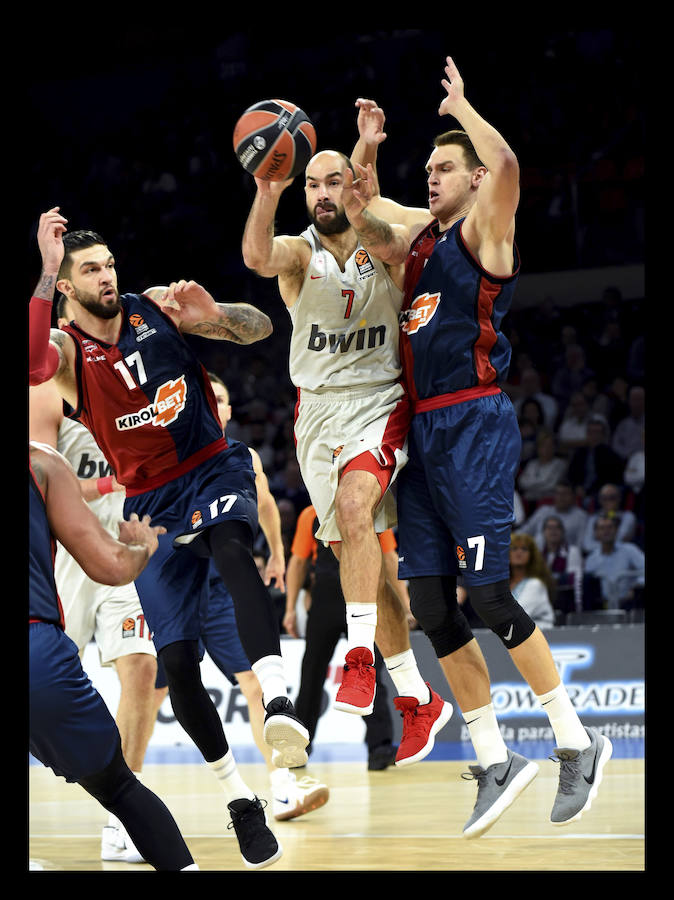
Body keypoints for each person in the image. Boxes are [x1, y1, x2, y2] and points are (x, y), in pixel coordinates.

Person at [348, 57, 612, 836]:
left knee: (490, 596)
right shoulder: (422, 246)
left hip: (473, 421)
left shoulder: (483, 235)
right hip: (422, 428)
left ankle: (575, 740)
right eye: (425, 168)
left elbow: (506, 164)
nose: (431, 178)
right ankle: (494, 756)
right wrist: (361, 162)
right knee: (429, 603)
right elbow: (368, 221)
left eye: (442, 169)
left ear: (468, 180)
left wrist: (463, 108)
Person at [29, 208, 298, 869]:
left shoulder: (157, 308)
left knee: (234, 549)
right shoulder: (66, 353)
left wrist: (218, 312)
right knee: (175, 667)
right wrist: (41, 267)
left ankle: (280, 700)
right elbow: (32, 358)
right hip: (149, 502)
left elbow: (258, 327)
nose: (107, 276)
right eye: (91, 269)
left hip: (210, 465)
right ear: (67, 287)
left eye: (110, 264)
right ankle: (238, 799)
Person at [241, 146, 452, 767]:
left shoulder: (383, 247)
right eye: (313, 184)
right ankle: (416, 698)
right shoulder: (300, 253)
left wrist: (370, 167)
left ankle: (358, 657)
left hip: (377, 400)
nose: (323, 192)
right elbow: (257, 256)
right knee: (360, 561)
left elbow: (401, 230)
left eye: (335, 180)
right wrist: (267, 188)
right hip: (315, 413)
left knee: (358, 509)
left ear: (352, 186)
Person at [151, 368, 329, 824]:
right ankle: (124, 802)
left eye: (223, 398)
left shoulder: (241, 456)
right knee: (148, 695)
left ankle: (283, 788)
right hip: (170, 586)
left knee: (254, 687)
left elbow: (266, 502)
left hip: (220, 588)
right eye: (207, 396)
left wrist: (274, 552)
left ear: (229, 410)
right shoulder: (165, 449)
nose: (216, 404)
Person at [30, 298, 161, 864]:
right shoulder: (49, 383)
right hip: (68, 551)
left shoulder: (130, 375)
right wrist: (111, 487)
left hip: (121, 550)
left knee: (142, 667)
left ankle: (121, 815)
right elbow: (43, 476)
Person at [29, 440, 198, 871]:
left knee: (141, 667)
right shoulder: (41, 461)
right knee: (120, 788)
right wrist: (143, 546)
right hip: (36, 647)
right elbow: (112, 566)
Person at [284, 504, 399, 771]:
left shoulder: (313, 512)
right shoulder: (368, 508)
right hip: (357, 594)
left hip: (333, 595)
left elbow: (299, 561)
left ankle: (303, 747)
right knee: (363, 671)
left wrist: (291, 608)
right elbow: (389, 557)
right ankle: (379, 749)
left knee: (314, 673)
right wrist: (402, 603)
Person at [583, 515, 645, 610]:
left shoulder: (630, 550)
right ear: (596, 533)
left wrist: (636, 588)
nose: (606, 531)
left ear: (616, 530)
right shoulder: (591, 559)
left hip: (630, 603)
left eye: (610, 527)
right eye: (602, 528)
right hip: (602, 606)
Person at [567, 415, 625, 503]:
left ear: (603, 435)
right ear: (587, 434)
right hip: (578, 493)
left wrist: (589, 491)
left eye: (597, 432)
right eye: (591, 432)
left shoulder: (612, 456)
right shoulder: (579, 453)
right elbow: (571, 475)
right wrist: (577, 487)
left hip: (600, 495)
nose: (594, 436)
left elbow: (610, 480)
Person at [521, 479, 589, 549]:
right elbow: (524, 531)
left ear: (573, 496)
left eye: (565, 494)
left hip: (564, 556)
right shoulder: (543, 511)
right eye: (558, 493)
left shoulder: (581, 516)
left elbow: (580, 545)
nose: (560, 497)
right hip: (536, 554)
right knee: (539, 538)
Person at [508, 533, 556, 630]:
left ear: (532, 555)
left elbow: (518, 615)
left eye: (524, 549)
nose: (519, 553)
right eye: (514, 548)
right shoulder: (504, 584)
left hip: (541, 634)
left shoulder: (535, 584)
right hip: (513, 634)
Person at [539, 515, 584, 614]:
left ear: (563, 532)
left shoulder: (572, 551)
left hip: (565, 600)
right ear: (543, 532)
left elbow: (572, 579)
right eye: (549, 528)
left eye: (557, 527)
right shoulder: (540, 555)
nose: (553, 531)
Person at [581, 482, 637, 555]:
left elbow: (619, 540)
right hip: (596, 557)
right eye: (604, 498)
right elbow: (587, 545)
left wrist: (599, 539)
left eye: (612, 498)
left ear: (619, 498)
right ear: (600, 500)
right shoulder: (593, 518)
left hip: (621, 556)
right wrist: (607, 545)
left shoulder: (628, 517)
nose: (608, 501)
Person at [516, 429, 568, 505]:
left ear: (554, 447)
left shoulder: (560, 464)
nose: (546, 449)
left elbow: (551, 485)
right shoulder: (532, 463)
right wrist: (541, 482)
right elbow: (522, 482)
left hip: (548, 501)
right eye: (543, 445)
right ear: (538, 448)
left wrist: (532, 484)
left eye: (550, 445)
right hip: (528, 500)